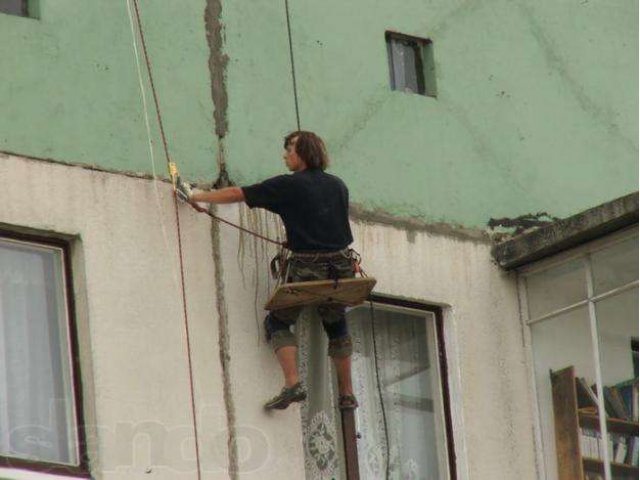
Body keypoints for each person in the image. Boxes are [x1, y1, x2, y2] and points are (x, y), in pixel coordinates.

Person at [176, 131, 358, 411]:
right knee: (336, 323)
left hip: (308, 269)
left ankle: (293, 383)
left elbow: (239, 193)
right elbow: (325, 224)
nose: (285, 155)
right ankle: (347, 393)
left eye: (289, 149)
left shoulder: (289, 185)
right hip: (341, 268)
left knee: (278, 322)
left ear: (303, 153)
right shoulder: (339, 186)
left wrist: (197, 197)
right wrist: (300, 236)